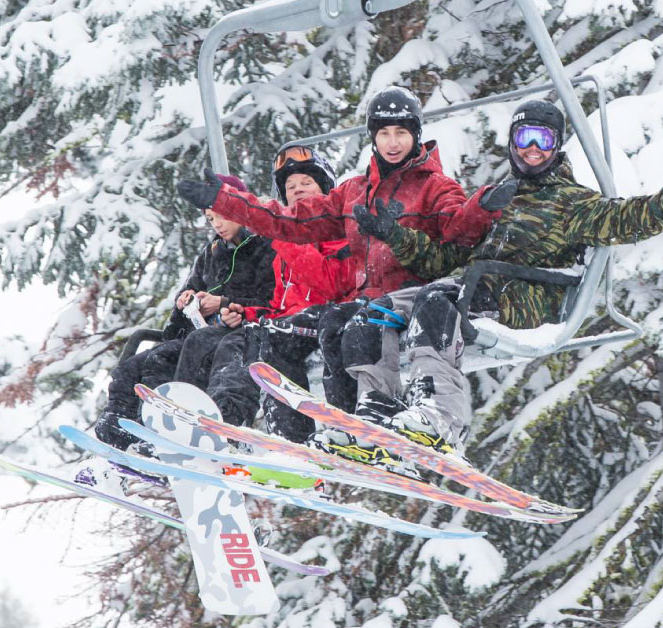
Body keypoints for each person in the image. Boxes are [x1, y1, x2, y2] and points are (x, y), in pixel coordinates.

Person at [341, 99, 663, 460]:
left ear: (557, 146)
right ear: (512, 144)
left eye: (545, 140)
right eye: (525, 139)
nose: (533, 149)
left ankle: (440, 416)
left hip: (524, 298)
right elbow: (447, 257)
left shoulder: (572, 202)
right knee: (374, 314)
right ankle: (376, 407)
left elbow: (628, 218)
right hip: (472, 286)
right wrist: (395, 235)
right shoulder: (499, 196)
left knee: (438, 302)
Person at [177, 87, 510, 468]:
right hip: (364, 300)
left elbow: (458, 230)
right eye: (384, 133)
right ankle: (298, 444)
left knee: (348, 320)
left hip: (410, 295)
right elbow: (289, 220)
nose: (393, 143)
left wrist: (482, 208)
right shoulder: (354, 192)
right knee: (284, 332)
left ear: (416, 134)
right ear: (373, 136)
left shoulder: (435, 187)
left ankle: (367, 417)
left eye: (401, 133)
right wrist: (226, 201)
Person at [178, 147, 357, 443]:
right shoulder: (284, 250)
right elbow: (278, 306)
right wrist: (245, 314)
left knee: (263, 340)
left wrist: (286, 238)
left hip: (332, 318)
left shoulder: (338, 231)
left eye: (306, 183)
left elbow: (329, 286)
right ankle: (197, 420)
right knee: (233, 337)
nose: (298, 189)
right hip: (290, 323)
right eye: (291, 187)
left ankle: (252, 429)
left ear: (325, 186)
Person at [92, 174, 276, 451]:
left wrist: (225, 301)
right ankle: (125, 424)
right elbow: (190, 289)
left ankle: (183, 427)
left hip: (240, 329)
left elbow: (274, 297)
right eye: (211, 218)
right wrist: (186, 302)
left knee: (199, 346)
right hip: (206, 330)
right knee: (150, 359)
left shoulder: (266, 246)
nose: (217, 224)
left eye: (222, 216)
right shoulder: (213, 252)